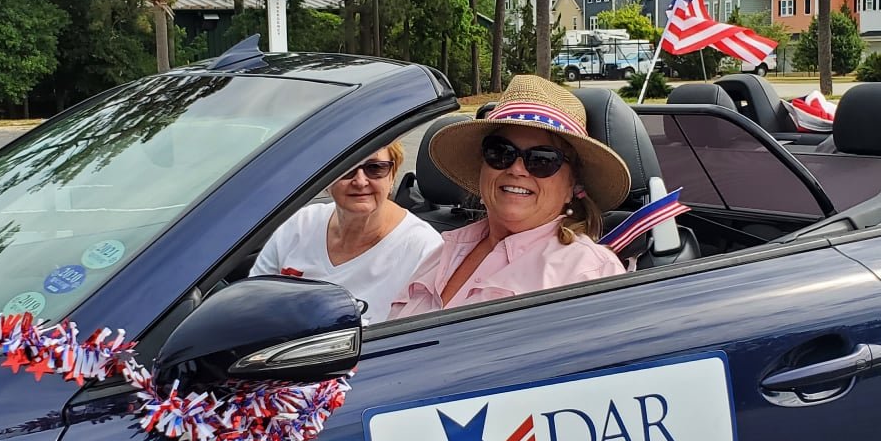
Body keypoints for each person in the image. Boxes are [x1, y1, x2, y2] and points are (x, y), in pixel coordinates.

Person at [391, 75, 629, 318]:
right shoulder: (444, 252)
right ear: (483, 165)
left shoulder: (588, 274)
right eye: (501, 152)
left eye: (542, 160)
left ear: (572, 185)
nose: (516, 169)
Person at [252, 139, 443, 319]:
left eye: (375, 168)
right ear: (326, 178)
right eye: (347, 168)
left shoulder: (425, 251)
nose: (360, 181)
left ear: (392, 175)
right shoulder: (298, 227)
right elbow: (253, 305)